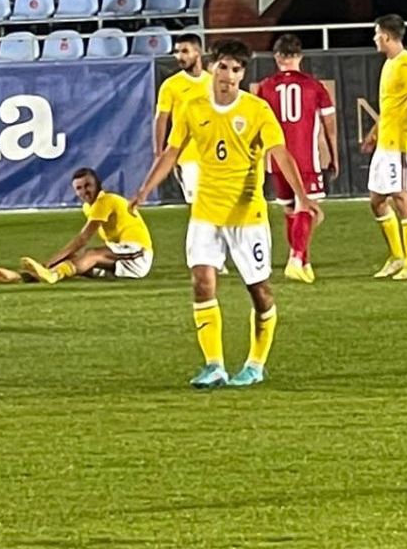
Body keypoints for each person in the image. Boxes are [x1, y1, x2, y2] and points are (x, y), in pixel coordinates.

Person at [131, 39, 322, 390]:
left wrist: (302, 196)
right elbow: (172, 152)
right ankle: (214, 365)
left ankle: (255, 364)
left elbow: (280, 153)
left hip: (246, 217)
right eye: (223, 67)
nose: (228, 76)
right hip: (206, 213)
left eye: (236, 70)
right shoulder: (192, 106)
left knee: (259, 290)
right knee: (202, 282)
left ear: (243, 74)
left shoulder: (257, 111)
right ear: (212, 67)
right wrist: (144, 190)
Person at [255, 34, 338, 284]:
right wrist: (334, 154)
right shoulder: (314, 86)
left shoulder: (265, 87)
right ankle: (296, 257)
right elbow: (329, 124)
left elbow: (256, 125)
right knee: (308, 208)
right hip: (305, 158)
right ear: (299, 56)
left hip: (277, 159)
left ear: (277, 57)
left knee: (292, 210)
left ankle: (305, 263)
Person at [0, 167, 154, 284]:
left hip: (138, 254)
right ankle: (23, 276)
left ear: (97, 185)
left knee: (91, 253)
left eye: (87, 185)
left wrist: (48, 263)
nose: (84, 191)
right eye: (79, 188)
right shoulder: (88, 207)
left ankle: (51, 275)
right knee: (74, 259)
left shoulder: (105, 201)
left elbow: (82, 239)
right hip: (121, 259)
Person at [361, 15, 407, 282]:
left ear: (387, 36)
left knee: (401, 198)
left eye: (376, 33)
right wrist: (374, 133)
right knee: (377, 200)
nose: (374, 38)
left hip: (401, 144)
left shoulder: (406, 63)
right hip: (386, 143)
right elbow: (390, 105)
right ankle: (398, 256)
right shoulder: (390, 64)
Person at [153, 34, 211, 205]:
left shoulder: (213, 82)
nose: (180, 56)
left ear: (198, 52)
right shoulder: (171, 85)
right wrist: (159, 152)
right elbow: (161, 118)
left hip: (213, 155)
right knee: (198, 207)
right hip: (187, 155)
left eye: (185, 51)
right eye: (177, 52)